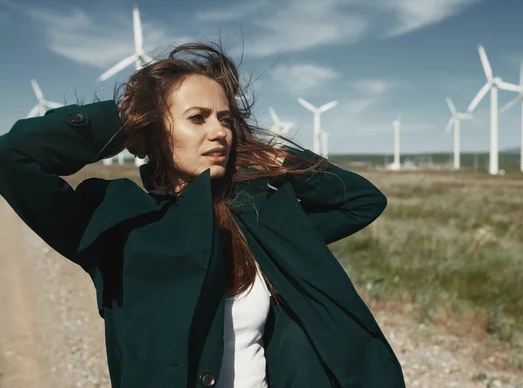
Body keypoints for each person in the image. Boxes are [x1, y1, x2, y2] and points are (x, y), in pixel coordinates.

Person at [0, 42, 406, 388]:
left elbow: (361, 201)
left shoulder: (258, 219)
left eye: (226, 119)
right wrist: (124, 119)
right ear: (154, 128)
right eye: (198, 118)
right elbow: (12, 156)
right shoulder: (119, 225)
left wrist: (275, 157)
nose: (220, 132)